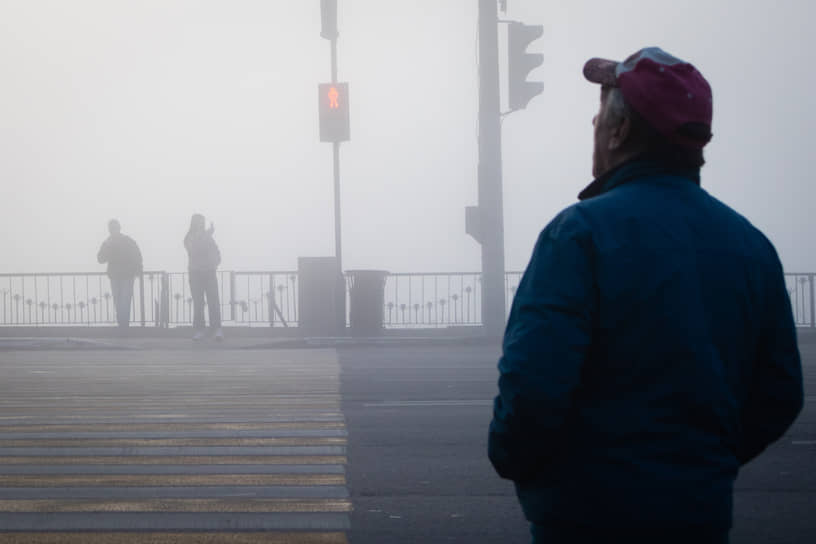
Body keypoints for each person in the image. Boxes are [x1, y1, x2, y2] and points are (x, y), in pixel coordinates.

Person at [488, 47, 803, 544]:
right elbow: (780, 391)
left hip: (585, 518)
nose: (593, 125)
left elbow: (533, 386)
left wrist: (523, 465)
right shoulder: (750, 245)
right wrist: (703, 465)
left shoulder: (578, 236)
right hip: (700, 513)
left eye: (600, 115)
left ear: (619, 132)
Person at [97, 219, 142, 328]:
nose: (113, 231)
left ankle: (123, 325)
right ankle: (123, 325)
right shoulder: (117, 242)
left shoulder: (124, 241)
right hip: (120, 276)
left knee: (122, 301)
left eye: (114, 228)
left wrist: (137, 269)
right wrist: (138, 270)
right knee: (120, 301)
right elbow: (100, 258)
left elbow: (137, 256)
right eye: (111, 229)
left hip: (123, 275)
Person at [184, 213, 223, 341]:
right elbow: (194, 250)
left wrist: (215, 263)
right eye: (200, 222)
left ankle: (216, 329)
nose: (202, 224)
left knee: (214, 302)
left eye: (203, 222)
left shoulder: (208, 237)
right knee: (198, 303)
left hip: (209, 272)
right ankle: (199, 330)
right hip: (195, 273)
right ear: (194, 223)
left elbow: (216, 251)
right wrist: (206, 234)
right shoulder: (189, 237)